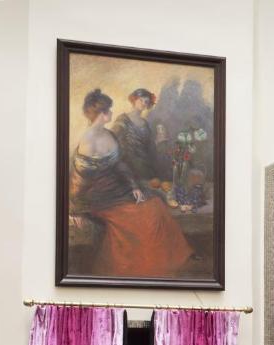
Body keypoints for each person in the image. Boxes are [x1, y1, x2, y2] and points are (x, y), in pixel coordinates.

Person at [69, 88, 193, 278]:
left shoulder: (108, 134)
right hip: (100, 197)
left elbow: (120, 165)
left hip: (119, 189)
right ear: (101, 114)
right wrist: (74, 210)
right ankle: (143, 269)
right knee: (143, 217)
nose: (112, 112)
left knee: (156, 205)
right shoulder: (88, 141)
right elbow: (79, 180)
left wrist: (134, 187)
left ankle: (166, 261)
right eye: (109, 110)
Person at [111, 88, 159, 181]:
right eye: (141, 100)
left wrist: (158, 142)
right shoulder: (123, 119)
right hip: (128, 166)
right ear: (134, 100)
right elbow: (113, 140)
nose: (143, 103)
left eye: (146, 102)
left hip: (145, 165)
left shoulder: (145, 123)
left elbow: (149, 146)